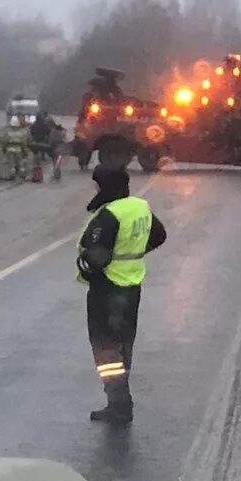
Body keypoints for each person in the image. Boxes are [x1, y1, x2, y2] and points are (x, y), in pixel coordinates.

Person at [76, 165, 167, 426]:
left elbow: (97, 255)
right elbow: (159, 235)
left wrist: (90, 267)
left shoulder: (109, 215)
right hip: (131, 285)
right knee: (124, 342)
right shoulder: (139, 206)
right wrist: (133, 253)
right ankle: (121, 401)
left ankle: (118, 404)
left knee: (105, 348)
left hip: (108, 287)